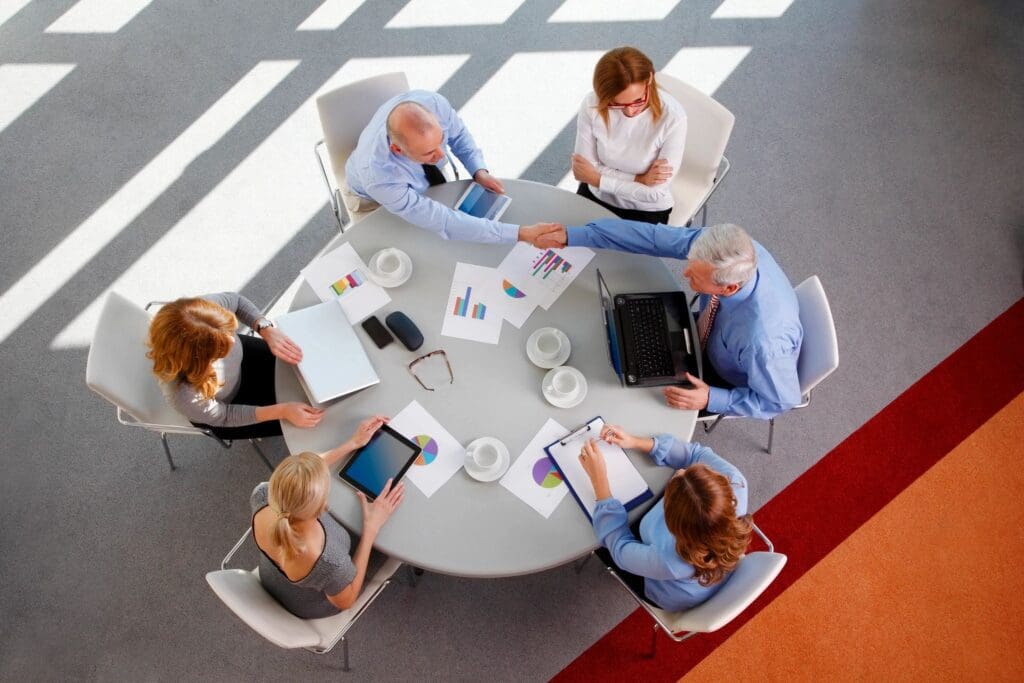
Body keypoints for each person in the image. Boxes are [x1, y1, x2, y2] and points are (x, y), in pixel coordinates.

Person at [536, 222, 802, 419]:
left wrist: (712, 397)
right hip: (702, 331)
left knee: (620, 404)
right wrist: (576, 236)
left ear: (729, 288)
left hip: (718, 377)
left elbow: (779, 402)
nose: (685, 273)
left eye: (695, 277)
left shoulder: (763, 343)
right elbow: (653, 238)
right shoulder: (733, 249)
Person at [344, 89, 562, 245]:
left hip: (416, 180)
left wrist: (479, 171)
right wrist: (520, 234)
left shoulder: (433, 103)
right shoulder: (379, 176)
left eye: (440, 140)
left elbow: (459, 136)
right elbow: (444, 221)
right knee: (407, 246)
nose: (441, 155)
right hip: (371, 200)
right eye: (429, 152)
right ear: (398, 150)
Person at [578, 424, 751, 611]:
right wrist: (637, 442)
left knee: (595, 537)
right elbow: (695, 454)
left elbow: (620, 549)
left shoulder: (669, 561)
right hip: (706, 568)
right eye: (687, 472)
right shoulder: (735, 482)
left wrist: (599, 481)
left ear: (672, 522)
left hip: (668, 590)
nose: (680, 471)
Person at [250, 416, 404, 618]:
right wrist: (371, 528)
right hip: (306, 603)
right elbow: (347, 600)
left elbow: (301, 476)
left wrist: (353, 443)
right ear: (322, 507)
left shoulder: (263, 494)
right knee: (391, 546)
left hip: (270, 575)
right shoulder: (328, 560)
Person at [147, 292, 324, 440]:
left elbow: (237, 301)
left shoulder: (202, 313)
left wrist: (266, 329)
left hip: (244, 362)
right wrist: (283, 411)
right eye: (221, 349)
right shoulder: (184, 394)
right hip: (230, 407)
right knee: (311, 422)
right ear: (200, 359)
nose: (233, 340)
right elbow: (225, 416)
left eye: (230, 331)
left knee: (311, 367)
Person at [572, 47, 686, 224]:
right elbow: (583, 170)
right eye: (616, 104)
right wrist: (638, 179)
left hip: (645, 210)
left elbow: (654, 193)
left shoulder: (673, 117)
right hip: (597, 196)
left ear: (649, 79)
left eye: (638, 101)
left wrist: (597, 178)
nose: (630, 111)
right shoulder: (592, 104)